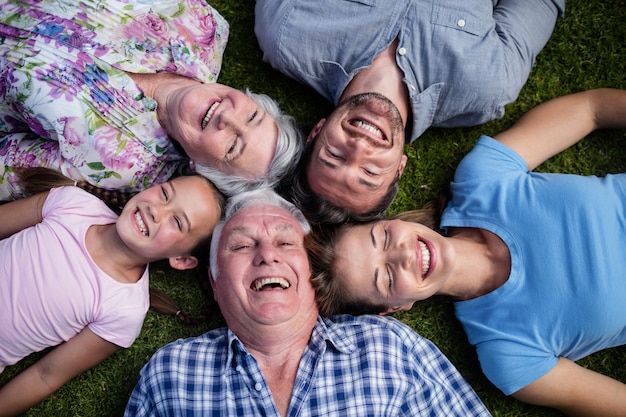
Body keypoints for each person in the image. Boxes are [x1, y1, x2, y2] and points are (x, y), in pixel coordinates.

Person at [308, 88, 626, 416]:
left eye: (383, 238)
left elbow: (592, 109)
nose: (402, 255)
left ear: (389, 219)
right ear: (395, 307)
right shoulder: (509, 355)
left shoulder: (482, 179)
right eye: (386, 277)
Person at [124, 188, 492, 417]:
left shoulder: (391, 347)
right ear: (214, 280)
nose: (267, 255)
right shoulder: (171, 373)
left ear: (312, 271)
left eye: (286, 243)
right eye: (240, 245)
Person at [255, 0, 565, 223]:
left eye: (334, 155)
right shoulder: (487, 85)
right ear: (400, 167)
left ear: (316, 131)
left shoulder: (287, 32)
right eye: (370, 172)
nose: (360, 146)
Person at [0, 0, 302, 200]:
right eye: (252, 116)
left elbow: (7, 168)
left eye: (233, 146)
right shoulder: (201, 28)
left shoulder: (117, 166)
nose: (228, 118)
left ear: (202, 169)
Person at [0, 168, 224, 416]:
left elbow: (46, 375)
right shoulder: (73, 203)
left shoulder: (125, 310)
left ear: (181, 260)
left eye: (177, 221)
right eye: (164, 193)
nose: (156, 210)